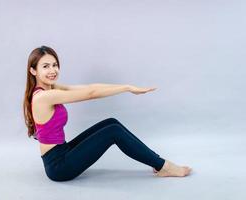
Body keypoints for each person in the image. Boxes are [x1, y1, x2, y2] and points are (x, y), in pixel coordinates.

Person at [23, 45, 192, 182]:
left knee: (111, 123)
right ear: (33, 71)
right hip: (59, 167)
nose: (53, 70)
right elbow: (91, 94)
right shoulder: (43, 97)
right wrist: (126, 89)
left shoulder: (50, 89)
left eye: (54, 65)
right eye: (45, 66)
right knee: (113, 132)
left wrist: (126, 86)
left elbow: (89, 88)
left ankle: (157, 163)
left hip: (63, 151)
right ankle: (164, 166)